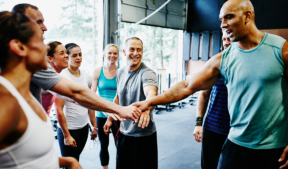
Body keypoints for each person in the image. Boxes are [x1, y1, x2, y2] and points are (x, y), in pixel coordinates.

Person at [133, 0, 288, 168]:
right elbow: (187, 86)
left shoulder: (280, 50)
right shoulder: (222, 60)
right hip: (235, 145)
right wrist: (150, 101)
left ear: (247, 16)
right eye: (221, 19)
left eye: (229, 17)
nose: (223, 24)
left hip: (274, 150)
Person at [8, 3, 141, 121]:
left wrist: (105, 108)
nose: (45, 27)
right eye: (38, 22)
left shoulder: (4, 52)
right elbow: (75, 93)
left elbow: (69, 95)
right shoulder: (27, 56)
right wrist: (119, 109)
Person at [0, 11, 81, 169]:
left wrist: (64, 161)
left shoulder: (26, 95)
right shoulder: (0, 103)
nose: (46, 48)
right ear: (20, 47)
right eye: (41, 40)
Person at [103, 37, 158, 169]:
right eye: (132, 49)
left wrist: (147, 108)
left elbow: (151, 93)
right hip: (124, 132)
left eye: (139, 50)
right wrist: (110, 118)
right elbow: (118, 97)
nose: (135, 53)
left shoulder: (147, 73)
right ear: (124, 51)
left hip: (143, 134)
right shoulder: (120, 72)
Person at [193, 32, 232, 169]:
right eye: (224, 39)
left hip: (236, 132)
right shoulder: (215, 63)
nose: (226, 42)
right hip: (212, 128)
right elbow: (203, 94)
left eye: (229, 39)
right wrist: (199, 123)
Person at [55, 43, 98, 165]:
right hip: (69, 129)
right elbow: (58, 109)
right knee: (72, 164)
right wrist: (66, 135)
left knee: (76, 160)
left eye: (80, 54)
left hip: (83, 128)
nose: (78, 58)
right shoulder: (62, 77)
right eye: (74, 55)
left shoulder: (87, 77)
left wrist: (94, 126)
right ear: (67, 57)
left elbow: (90, 104)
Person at [91, 44, 120, 169]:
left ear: (118, 55)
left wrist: (113, 112)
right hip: (101, 113)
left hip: (117, 113)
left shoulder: (121, 72)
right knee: (104, 145)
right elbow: (92, 94)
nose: (112, 56)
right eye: (109, 53)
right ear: (104, 54)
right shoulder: (97, 71)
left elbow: (121, 94)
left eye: (115, 53)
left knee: (120, 145)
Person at [41, 41, 69, 115]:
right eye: (61, 53)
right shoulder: (47, 76)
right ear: (50, 59)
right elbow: (73, 94)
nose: (67, 55)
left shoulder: (56, 75)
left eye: (66, 52)